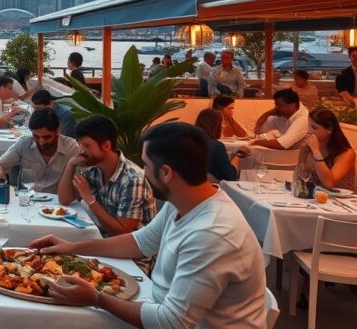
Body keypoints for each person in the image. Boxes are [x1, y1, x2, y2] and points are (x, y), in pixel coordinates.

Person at [31, 122, 268, 329]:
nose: (142, 172)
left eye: (145, 164)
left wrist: (96, 298)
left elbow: (170, 323)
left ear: (166, 173)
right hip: (160, 305)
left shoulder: (212, 234)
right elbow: (139, 243)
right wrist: (71, 248)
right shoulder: (184, 202)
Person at [57, 116, 157, 237]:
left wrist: (89, 199)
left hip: (132, 252)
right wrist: (70, 164)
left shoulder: (133, 179)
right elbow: (65, 199)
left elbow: (123, 232)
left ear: (106, 146)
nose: (81, 151)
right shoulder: (94, 170)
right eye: (79, 144)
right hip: (103, 239)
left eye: (86, 145)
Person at [0, 108, 79, 194]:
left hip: (59, 202)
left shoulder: (71, 147)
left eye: (46, 137)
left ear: (57, 131)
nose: (41, 142)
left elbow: (80, 177)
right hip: (29, 197)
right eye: (36, 136)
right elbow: (1, 163)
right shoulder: (24, 143)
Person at [297, 108, 356, 190]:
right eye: (308, 127)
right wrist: (304, 151)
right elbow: (299, 180)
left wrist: (316, 152)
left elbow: (329, 183)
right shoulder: (306, 149)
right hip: (316, 199)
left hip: (342, 201)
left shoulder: (347, 154)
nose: (309, 131)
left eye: (314, 128)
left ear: (330, 129)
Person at [194, 109, 243, 182]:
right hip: (211, 187)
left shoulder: (189, 141)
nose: (224, 126)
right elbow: (230, 177)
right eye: (222, 122)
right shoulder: (216, 146)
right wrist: (238, 156)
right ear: (215, 125)